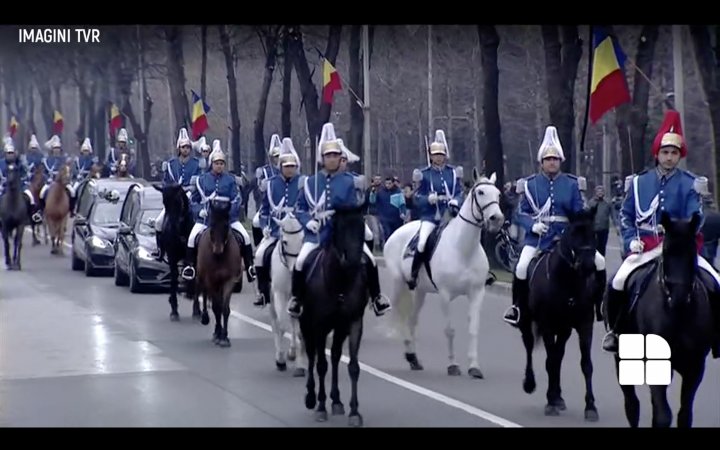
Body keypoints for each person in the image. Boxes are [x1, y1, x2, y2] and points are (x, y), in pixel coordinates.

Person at [601, 110, 720, 357]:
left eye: (674, 153)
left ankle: (716, 334)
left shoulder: (690, 183)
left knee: (715, 282)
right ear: (657, 154)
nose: (669, 157)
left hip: (679, 248)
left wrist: (681, 235)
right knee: (618, 281)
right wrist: (631, 239)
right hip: (644, 246)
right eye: (665, 152)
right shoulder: (638, 182)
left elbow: (695, 217)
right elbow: (626, 215)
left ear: (679, 156)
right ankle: (616, 330)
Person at [503, 125, 606, 326]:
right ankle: (518, 307)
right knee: (522, 267)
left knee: (600, 262)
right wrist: (532, 225)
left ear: (560, 161)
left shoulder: (571, 184)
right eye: (548, 159)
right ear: (541, 162)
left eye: (555, 159)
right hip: (538, 239)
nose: (552, 163)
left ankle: (599, 305)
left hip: (567, 238)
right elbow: (519, 213)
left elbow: (578, 212)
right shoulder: (530, 184)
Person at [286, 123, 390, 318]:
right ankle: (297, 299)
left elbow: (356, 206)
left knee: (369, 259)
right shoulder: (310, 182)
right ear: (322, 159)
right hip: (316, 234)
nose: (332, 159)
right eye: (328, 156)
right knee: (300, 262)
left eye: (335, 155)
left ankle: (377, 297)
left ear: (341, 157)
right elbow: (300, 208)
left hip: (344, 234)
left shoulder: (351, 181)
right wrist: (307, 221)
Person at [181, 141, 256, 283]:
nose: (219, 166)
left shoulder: (230, 180)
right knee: (191, 238)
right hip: (206, 219)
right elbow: (193, 201)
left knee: (245, 237)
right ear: (212, 164)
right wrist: (199, 211)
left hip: (228, 219)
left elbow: (236, 198)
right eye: (216, 163)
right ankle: (189, 267)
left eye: (222, 163)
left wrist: (229, 213)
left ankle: (250, 266)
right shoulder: (202, 180)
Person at [336, 139, 392, 316]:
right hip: (329, 225)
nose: (341, 163)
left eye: (344, 160)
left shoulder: (355, 181)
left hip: (352, 225)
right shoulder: (320, 180)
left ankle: (376, 297)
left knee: (371, 257)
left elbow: (362, 203)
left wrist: (368, 193)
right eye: (338, 159)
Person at [407, 129, 464, 290]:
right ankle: (414, 273)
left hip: (451, 215)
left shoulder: (453, 172)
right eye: (436, 155)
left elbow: (460, 192)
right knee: (422, 242)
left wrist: (456, 201)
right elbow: (416, 197)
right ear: (430, 156)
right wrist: (427, 199)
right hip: (431, 216)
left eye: (441, 154)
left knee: (469, 235)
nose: (439, 157)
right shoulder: (422, 174)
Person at [253, 137, 304, 308]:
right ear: (280, 167)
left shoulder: (303, 183)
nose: (290, 169)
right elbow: (265, 210)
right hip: (276, 230)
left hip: (299, 232)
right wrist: (265, 225)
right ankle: (262, 292)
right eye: (286, 166)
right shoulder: (271, 184)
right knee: (260, 256)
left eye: (292, 166)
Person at [153, 128, 202, 258]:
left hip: (189, 194)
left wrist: (192, 187)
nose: (185, 149)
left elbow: (200, 180)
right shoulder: (171, 164)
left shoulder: (196, 164)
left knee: (198, 219)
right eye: (183, 147)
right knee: (159, 222)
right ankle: (160, 250)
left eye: (187, 147)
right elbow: (166, 181)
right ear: (179, 148)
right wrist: (168, 189)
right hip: (174, 196)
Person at [0, 137, 40, 224]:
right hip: (4, 186)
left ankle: (33, 215)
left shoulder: (20, 162)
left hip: (20, 185)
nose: (10, 155)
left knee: (31, 197)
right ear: (5, 154)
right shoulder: (1, 163)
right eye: (8, 153)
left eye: (11, 153)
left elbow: (25, 173)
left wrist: (24, 179)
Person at [252, 134, 282, 246]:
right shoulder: (264, 171)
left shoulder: (289, 169)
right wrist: (263, 186)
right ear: (272, 158)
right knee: (255, 222)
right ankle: (258, 244)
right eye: (276, 156)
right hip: (269, 205)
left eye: (280, 156)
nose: (278, 159)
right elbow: (259, 190)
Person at [38, 135, 76, 217]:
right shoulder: (47, 160)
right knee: (42, 193)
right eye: (55, 149)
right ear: (52, 150)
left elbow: (67, 171)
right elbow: (44, 172)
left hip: (62, 182)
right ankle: (42, 211)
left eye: (58, 149)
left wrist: (66, 179)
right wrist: (47, 179)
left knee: (72, 192)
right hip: (50, 181)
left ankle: (72, 210)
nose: (56, 150)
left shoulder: (64, 159)